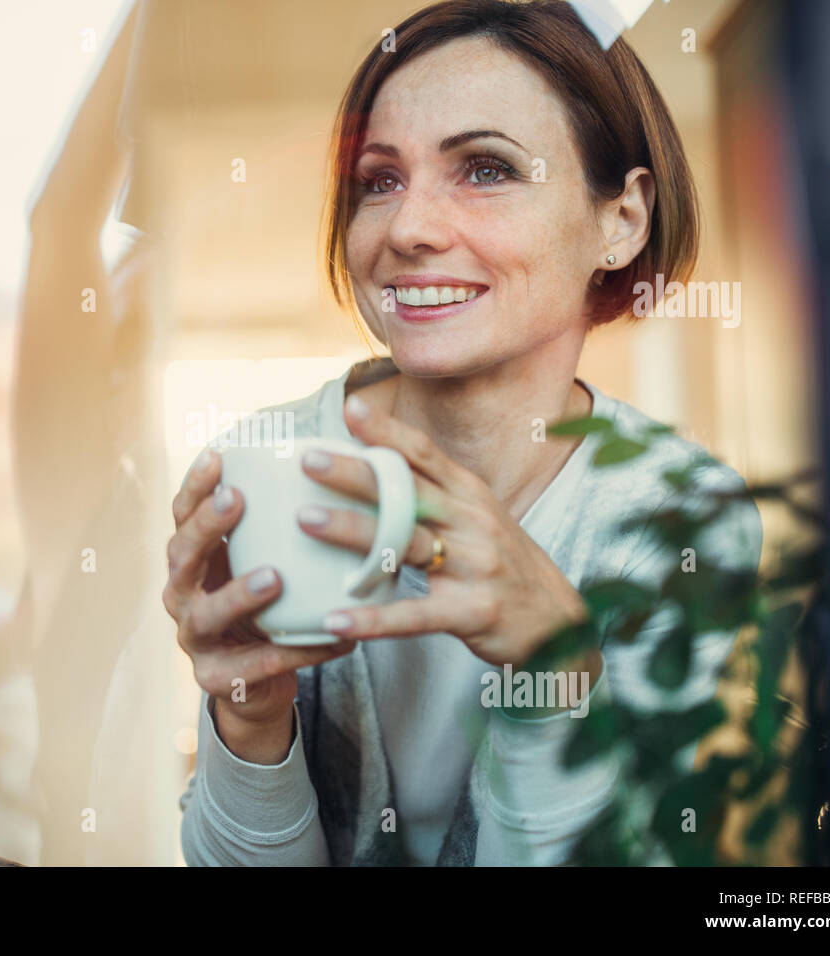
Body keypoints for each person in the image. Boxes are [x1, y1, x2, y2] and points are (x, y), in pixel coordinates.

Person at [164, 0, 761, 865]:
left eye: (485, 169)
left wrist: (557, 681)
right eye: (380, 179)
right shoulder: (269, 464)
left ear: (621, 220)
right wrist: (250, 718)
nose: (407, 229)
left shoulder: (679, 515)